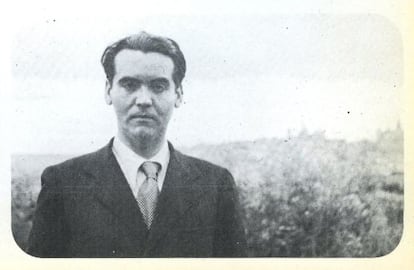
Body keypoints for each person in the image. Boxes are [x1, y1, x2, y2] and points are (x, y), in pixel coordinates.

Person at [26, 31, 247, 257]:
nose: (143, 100)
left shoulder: (215, 185)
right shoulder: (64, 184)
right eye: (130, 85)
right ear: (108, 90)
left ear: (179, 94)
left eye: (158, 86)